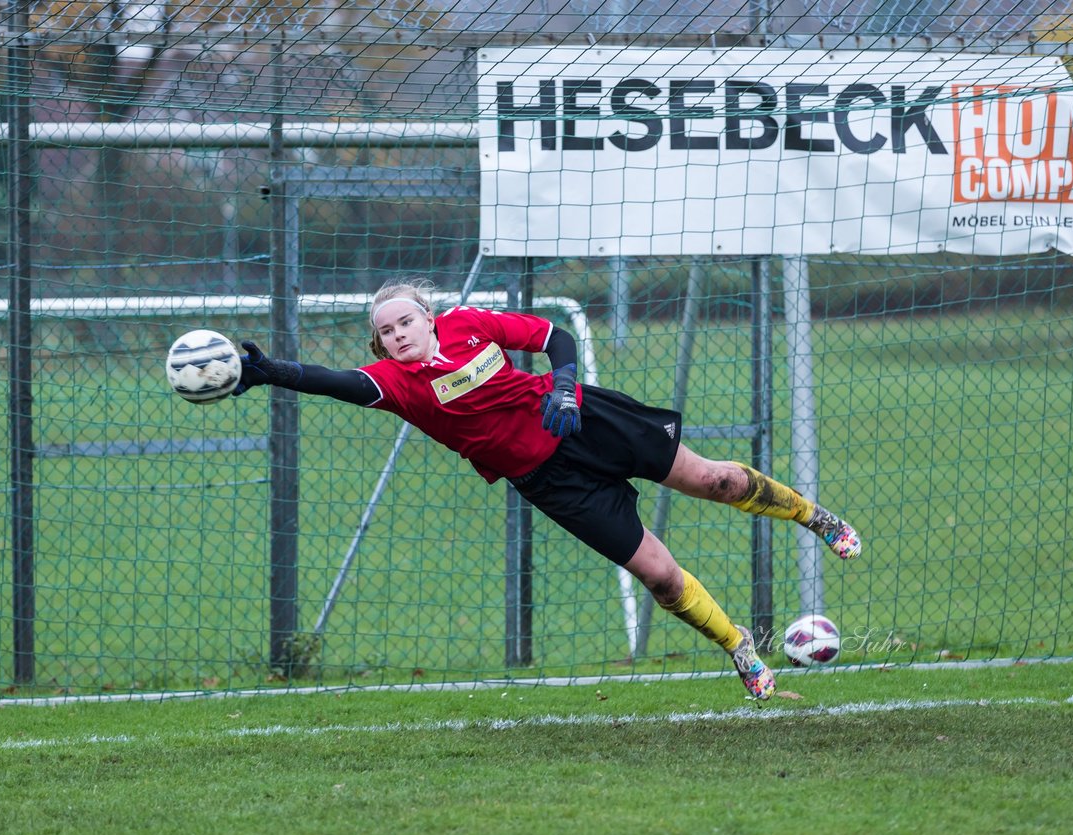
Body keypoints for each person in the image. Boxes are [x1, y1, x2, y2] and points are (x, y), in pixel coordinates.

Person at [231, 277, 862, 700]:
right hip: (550, 481)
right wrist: (272, 373)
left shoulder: (468, 325)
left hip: (582, 419)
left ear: (428, 318)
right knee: (661, 576)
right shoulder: (394, 385)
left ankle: (814, 516)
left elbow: (551, 337)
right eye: (386, 331)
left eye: (406, 322)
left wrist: (562, 385)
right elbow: (330, 380)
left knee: (713, 479)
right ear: (380, 343)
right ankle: (740, 649)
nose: (398, 335)